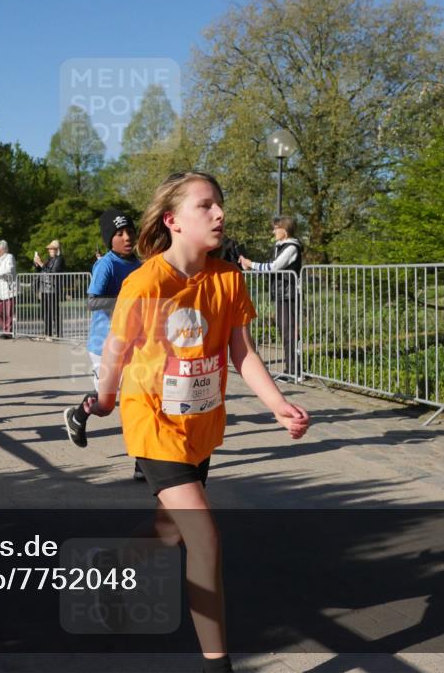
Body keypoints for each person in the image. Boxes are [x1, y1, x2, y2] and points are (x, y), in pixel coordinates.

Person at [84, 172, 310, 673]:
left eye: (220, 205)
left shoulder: (228, 277)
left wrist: (277, 404)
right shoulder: (145, 283)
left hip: (199, 426)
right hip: (153, 422)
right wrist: (102, 399)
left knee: (171, 531)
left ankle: (111, 568)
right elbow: (115, 353)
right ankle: (218, 666)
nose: (219, 214)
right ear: (173, 220)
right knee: (203, 534)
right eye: (206, 206)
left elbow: (242, 351)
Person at [62, 208, 146, 480]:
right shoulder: (107, 265)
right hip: (103, 346)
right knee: (107, 406)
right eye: (119, 233)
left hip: (135, 346)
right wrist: (125, 303)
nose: (126, 237)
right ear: (109, 239)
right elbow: (92, 301)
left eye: (130, 231)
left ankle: (142, 462)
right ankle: (78, 415)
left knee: (140, 400)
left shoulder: (140, 265)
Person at [239, 216, 303, 376]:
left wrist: (250, 264)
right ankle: (291, 370)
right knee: (285, 331)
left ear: (285, 230)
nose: (273, 231)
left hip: (289, 294)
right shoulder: (279, 246)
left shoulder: (291, 247)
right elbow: (269, 266)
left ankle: (295, 371)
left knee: (289, 332)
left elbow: (274, 267)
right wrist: (251, 268)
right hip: (281, 294)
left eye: (276, 228)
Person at [33, 239, 66, 339]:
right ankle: (48, 332)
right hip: (44, 288)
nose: (50, 250)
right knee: (45, 312)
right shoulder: (49, 259)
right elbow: (42, 270)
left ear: (57, 250)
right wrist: (37, 264)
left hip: (53, 288)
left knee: (54, 311)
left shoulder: (59, 259)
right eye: (50, 249)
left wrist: (41, 263)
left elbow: (53, 272)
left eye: (52, 249)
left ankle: (58, 334)